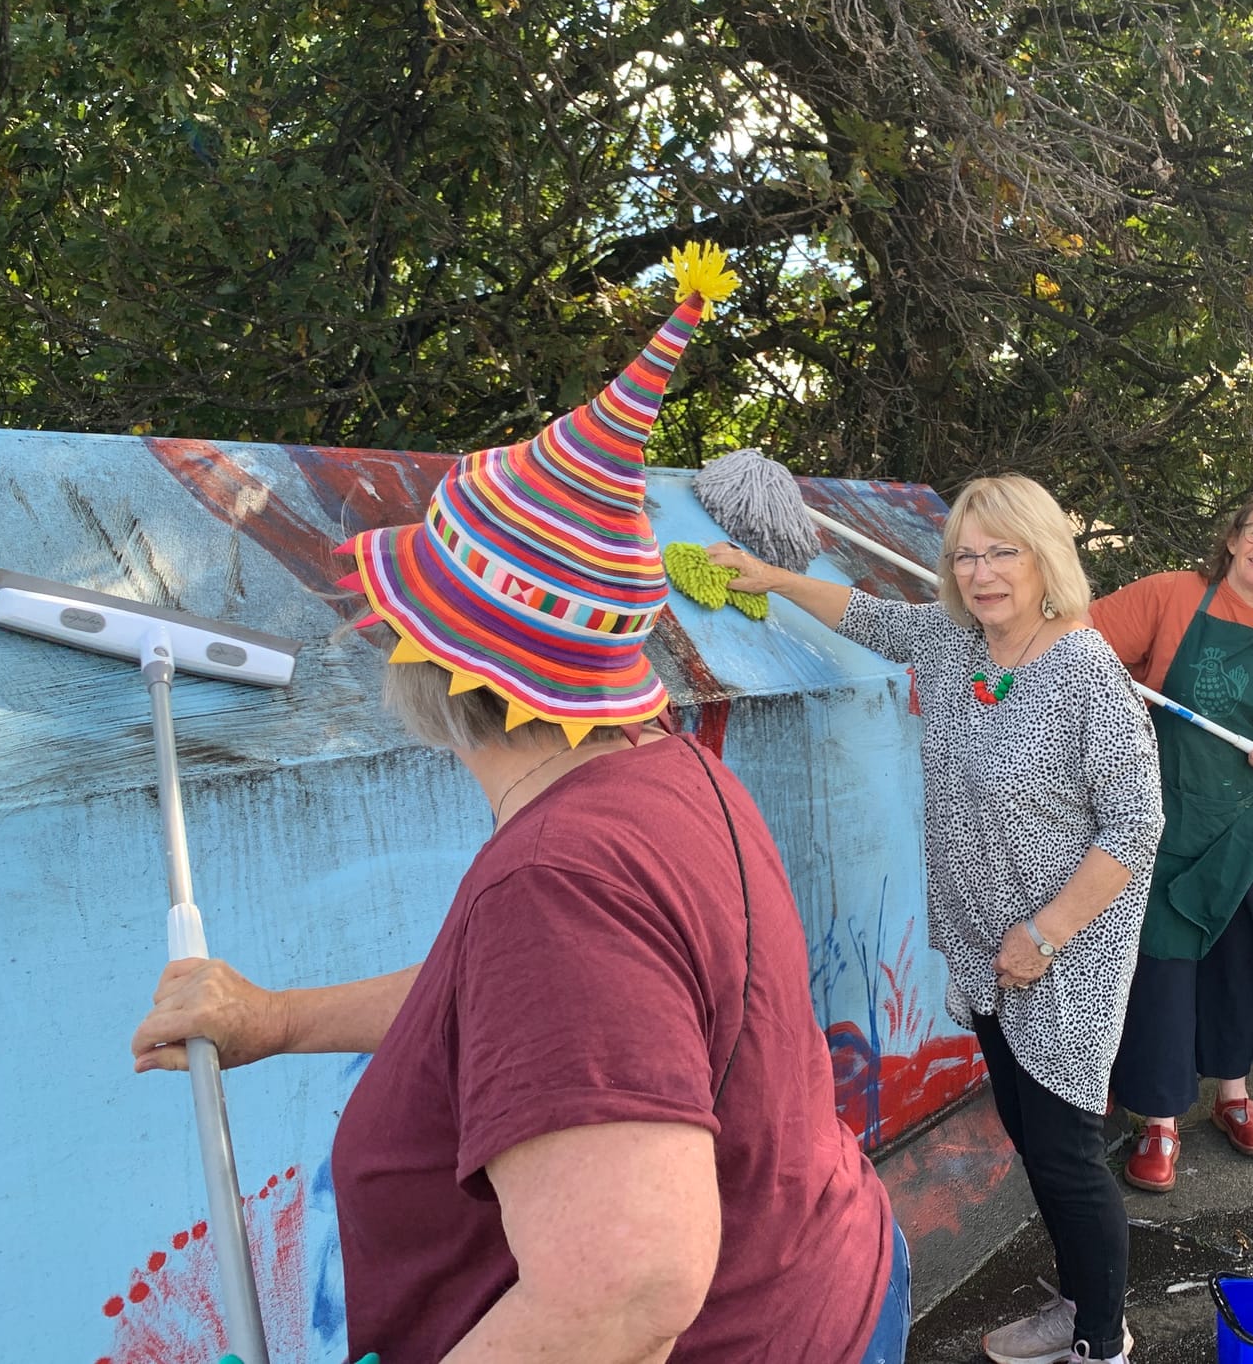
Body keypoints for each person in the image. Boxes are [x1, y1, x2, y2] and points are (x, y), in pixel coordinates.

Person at [130, 246, 908, 1364]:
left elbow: (624, 1296)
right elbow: (522, 1014)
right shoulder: (665, 774)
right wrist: (280, 1019)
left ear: (431, 655)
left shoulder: (557, 881)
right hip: (837, 1282)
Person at [712, 474, 1163, 1364]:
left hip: (1061, 958)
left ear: (1046, 559)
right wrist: (769, 579)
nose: (980, 572)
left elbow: (1136, 826)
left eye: (1002, 553)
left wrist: (1044, 935)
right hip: (986, 949)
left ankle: (1101, 1342)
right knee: (1031, 1139)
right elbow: (869, 618)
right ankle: (1081, 1304)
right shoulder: (959, 645)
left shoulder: (1086, 673)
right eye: (965, 555)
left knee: (1067, 1155)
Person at [1089, 483, 1253, 1194]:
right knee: (1165, 969)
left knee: (1239, 962)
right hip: (1162, 823)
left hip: (1246, 829)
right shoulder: (1171, 595)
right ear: (1234, 537)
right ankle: (1160, 1120)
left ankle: (1234, 1098)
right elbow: (1078, 644)